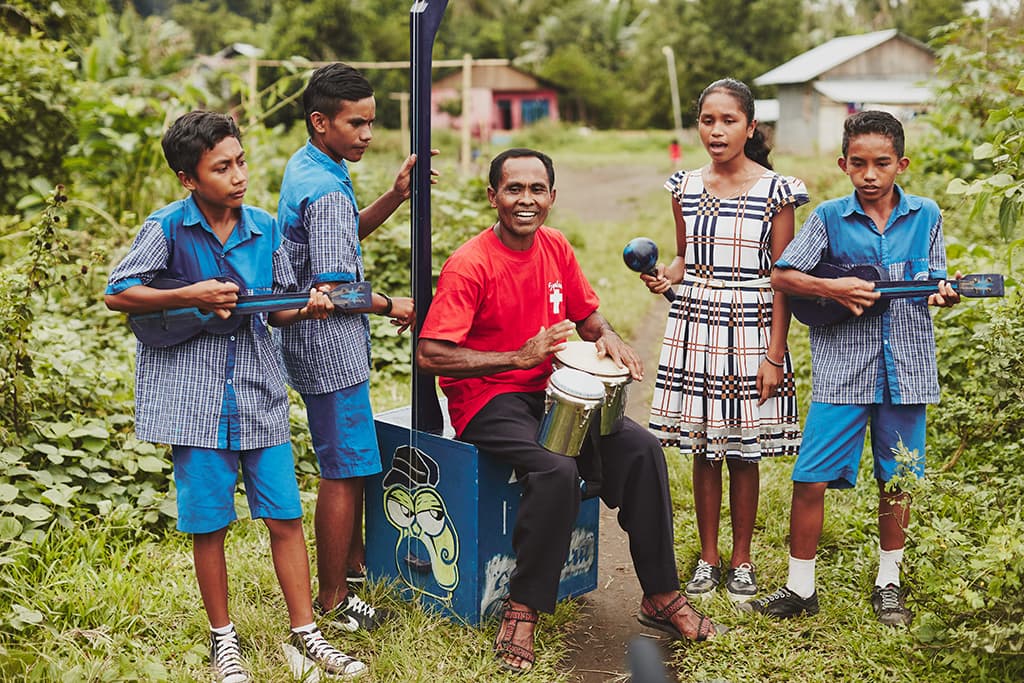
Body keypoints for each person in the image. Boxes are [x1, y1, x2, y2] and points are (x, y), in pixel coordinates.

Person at [416, 148, 727, 675]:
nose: (526, 200)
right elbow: (430, 354)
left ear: (552, 198)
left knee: (641, 448)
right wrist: (519, 355)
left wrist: (611, 338)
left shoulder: (555, 246)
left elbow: (587, 316)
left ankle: (661, 593)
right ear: (493, 197)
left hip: (556, 391)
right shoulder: (470, 264)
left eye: (537, 190)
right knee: (554, 467)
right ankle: (523, 607)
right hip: (488, 399)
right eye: (514, 189)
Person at [104, 111, 366, 681]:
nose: (238, 175)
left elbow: (277, 308)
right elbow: (118, 293)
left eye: (241, 161)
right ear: (188, 179)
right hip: (191, 398)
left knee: (284, 515)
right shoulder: (168, 227)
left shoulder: (264, 228)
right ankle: (225, 639)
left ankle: (305, 634)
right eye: (221, 167)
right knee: (210, 522)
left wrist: (312, 304)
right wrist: (194, 292)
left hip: (257, 389)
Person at [742, 110, 960, 625]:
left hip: (907, 369)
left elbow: (937, 282)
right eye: (858, 163)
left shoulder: (926, 215)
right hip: (843, 371)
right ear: (843, 164)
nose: (869, 174)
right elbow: (784, 276)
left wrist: (944, 295)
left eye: (881, 163)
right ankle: (800, 588)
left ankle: (889, 583)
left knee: (897, 479)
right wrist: (833, 287)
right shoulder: (828, 218)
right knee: (809, 478)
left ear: (900, 164)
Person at [641, 78, 807, 603]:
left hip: (752, 327)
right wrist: (666, 276)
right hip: (697, 325)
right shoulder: (684, 186)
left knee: (744, 451)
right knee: (703, 448)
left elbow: (782, 276)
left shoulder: (776, 191)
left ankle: (742, 560)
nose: (716, 131)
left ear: (750, 127)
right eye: (707, 120)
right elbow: (685, 256)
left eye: (728, 121)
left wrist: (774, 355)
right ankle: (708, 559)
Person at [277, 62, 422, 632]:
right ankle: (335, 598)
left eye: (371, 123)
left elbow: (336, 241)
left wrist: (393, 196)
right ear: (320, 121)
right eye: (356, 124)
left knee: (349, 461)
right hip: (330, 349)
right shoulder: (325, 187)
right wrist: (393, 304)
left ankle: (354, 570)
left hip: (310, 344)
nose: (367, 135)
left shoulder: (310, 165)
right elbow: (336, 288)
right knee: (345, 468)